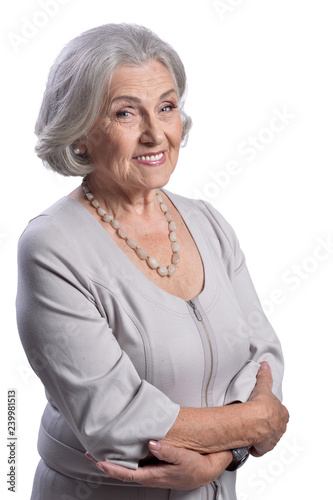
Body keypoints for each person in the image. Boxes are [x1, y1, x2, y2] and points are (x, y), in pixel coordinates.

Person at [16, 23, 289, 500]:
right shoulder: (52, 247)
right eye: (126, 113)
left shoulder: (207, 221)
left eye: (166, 107)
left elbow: (261, 359)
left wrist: (220, 460)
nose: (155, 134)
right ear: (79, 132)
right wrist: (253, 424)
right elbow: (114, 420)